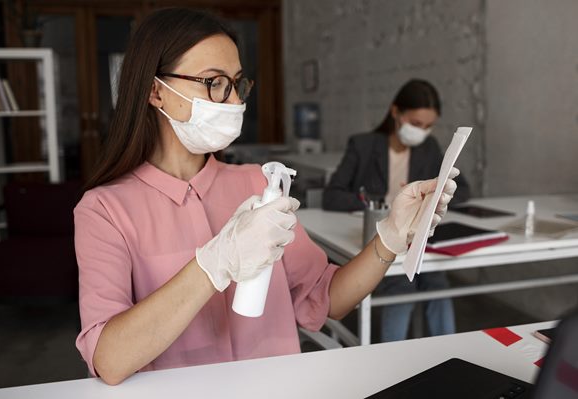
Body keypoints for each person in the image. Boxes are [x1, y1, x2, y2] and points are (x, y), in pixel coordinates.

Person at [74, 9, 459, 385]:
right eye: (212, 83)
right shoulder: (105, 210)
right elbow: (110, 360)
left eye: (236, 83)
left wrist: (391, 236)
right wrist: (214, 263)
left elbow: (327, 297)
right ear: (156, 90)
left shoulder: (260, 185)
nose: (232, 101)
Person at [322, 79, 471, 342]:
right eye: (415, 124)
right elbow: (332, 196)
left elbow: (465, 190)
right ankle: (392, 354)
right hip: (378, 232)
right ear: (395, 113)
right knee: (400, 283)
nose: (422, 132)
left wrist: (435, 196)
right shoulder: (364, 145)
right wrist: (386, 202)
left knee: (436, 281)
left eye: (428, 126)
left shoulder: (429, 147)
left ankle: (450, 349)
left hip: (414, 237)